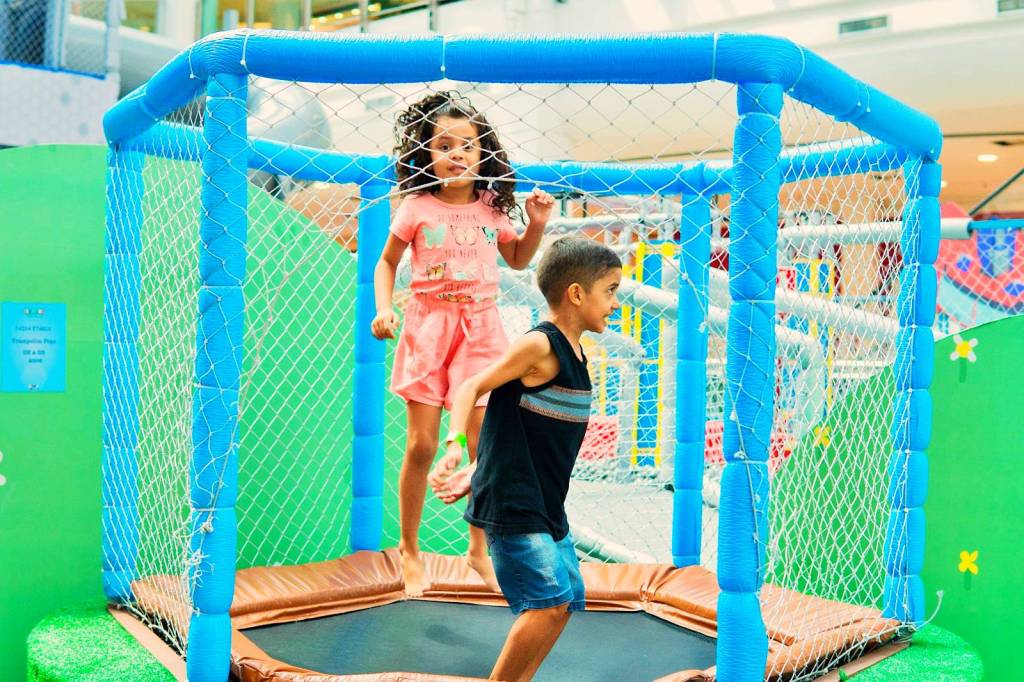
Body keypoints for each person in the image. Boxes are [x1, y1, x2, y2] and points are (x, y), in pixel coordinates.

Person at [371, 91, 554, 596]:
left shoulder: (491, 206)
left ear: (482, 154)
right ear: (426, 154)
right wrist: (384, 308)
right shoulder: (416, 207)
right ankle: (410, 549)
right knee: (423, 444)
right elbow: (386, 263)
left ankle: (478, 548)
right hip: (429, 327)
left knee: (483, 444)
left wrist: (536, 224)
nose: (456, 154)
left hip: (481, 327)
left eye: (467, 146)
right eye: (444, 145)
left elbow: (517, 260)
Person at [429, 236, 623, 682]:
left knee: (565, 600)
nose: (615, 303)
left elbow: (518, 429)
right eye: (610, 290)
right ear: (577, 293)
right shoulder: (541, 345)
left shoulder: (575, 352)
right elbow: (471, 388)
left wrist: (478, 472)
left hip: (545, 504)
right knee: (548, 604)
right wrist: (457, 444)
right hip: (516, 507)